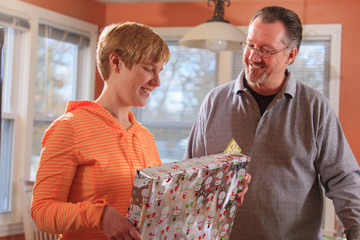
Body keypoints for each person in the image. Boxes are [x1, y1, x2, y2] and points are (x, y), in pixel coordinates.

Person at [31, 22, 250, 240]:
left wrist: (219, 194)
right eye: (148, 68)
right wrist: (100, 214)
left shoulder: (145, 137)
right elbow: (41, 212)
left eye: (160, 70)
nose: (157, 82)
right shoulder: (70, 127)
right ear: (116, 62)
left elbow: (160, 208)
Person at [184, 5, 360, 240]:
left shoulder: (315, 107)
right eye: (250, 45)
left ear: (290, 55)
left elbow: (344, 180)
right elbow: (190, 175)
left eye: (266, 50)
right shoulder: (214, 101)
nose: (253, 57)